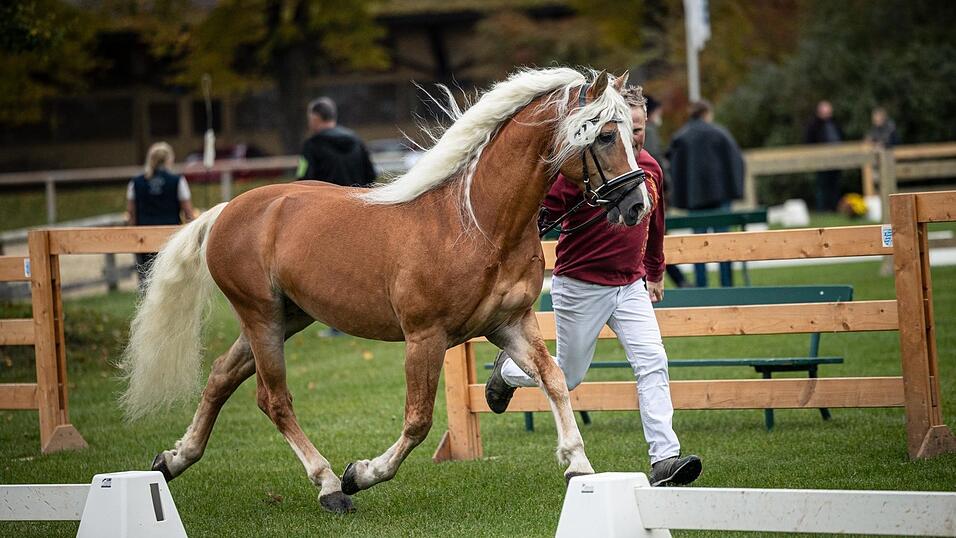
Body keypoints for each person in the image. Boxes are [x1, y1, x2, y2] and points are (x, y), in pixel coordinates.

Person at [485, 85, 702, 488]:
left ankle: (665, 459)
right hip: (581, 285)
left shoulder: (651, 169)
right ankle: (509, 371)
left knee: (653, 361)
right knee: (567, 376)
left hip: (630, 285)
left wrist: (655, 271)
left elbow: (655, 225)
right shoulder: (585, 167)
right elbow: (541, 214)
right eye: (627, 130)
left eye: (639, 130)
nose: (634, 138)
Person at [666, 100, 744, 288]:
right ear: (707, 113)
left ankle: (702, 287)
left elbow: (672, 166)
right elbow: (736, 161)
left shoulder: (681, 137)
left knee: (698, 247)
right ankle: (727, 286)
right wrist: (734, 190)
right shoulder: (720, 133)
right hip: (720, 198)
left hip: (694, 200)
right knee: (723, 244)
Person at [127, 142, 195, 287]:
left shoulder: (135, 183)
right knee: (170, 280)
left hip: (143, 238)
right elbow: (188, 213)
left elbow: (131, 214)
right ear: (168, 160)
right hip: (170, 238)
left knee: (146, 281)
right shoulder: (177, 181)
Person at [645, 94, 689, 289]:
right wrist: (668, 185)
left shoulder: (646, 130)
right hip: (652, 195)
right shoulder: (649, 131)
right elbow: (655, 162)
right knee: (657, 239)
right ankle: (680, 281)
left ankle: (680, 281)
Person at [296, 97, 377, 187]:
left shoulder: (311, 145)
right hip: (356, 195)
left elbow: (302, 177)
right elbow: (371, 175)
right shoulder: (357, 140)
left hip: (325, 195)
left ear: (315, 117)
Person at [804, 100, 844, 212]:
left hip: (836, 158)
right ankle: (822, 209)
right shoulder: (814, 125)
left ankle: (835, 208)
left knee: (835, 185)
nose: (828, 114)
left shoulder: (834, 123)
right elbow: (809, 142)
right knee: (822, 186)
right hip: (821, 160)